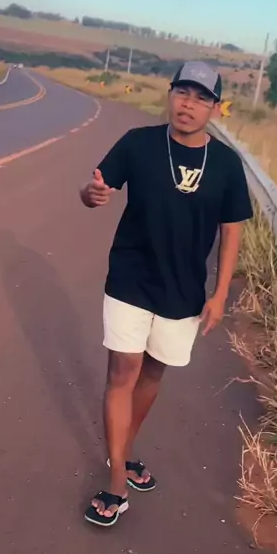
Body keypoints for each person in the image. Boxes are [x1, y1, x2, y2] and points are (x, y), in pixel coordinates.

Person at [79, 61, 253, 527]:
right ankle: (117, 481)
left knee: (153, 373)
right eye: (182, 93)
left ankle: (123, 451)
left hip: (184, 290)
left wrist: (219, 295)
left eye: (200, 98)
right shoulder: (139, 143)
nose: (188, 105)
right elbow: (94, 189)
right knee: (123, 371)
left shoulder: (226, 164)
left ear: (215, 108)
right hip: (130, 277)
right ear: (170, 94)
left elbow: (232, 232)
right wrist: (91, 194)